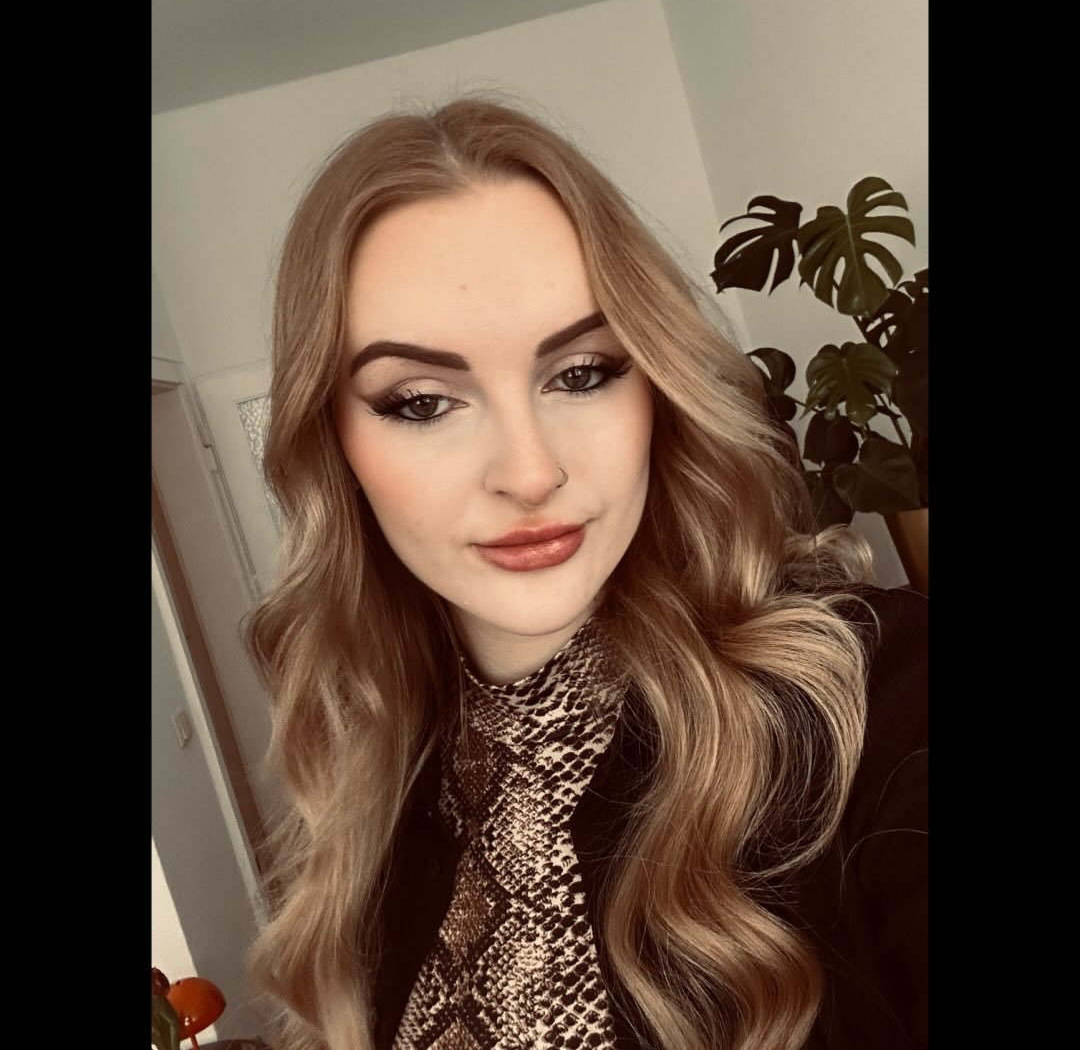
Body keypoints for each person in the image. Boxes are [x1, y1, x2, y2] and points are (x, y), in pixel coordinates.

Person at [245, 96, 927, 1050]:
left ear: (655, 386)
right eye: (423, 401)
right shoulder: (378, 774)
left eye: (581, 373)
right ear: (333, 444)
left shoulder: (875, 701)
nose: (531, 473)